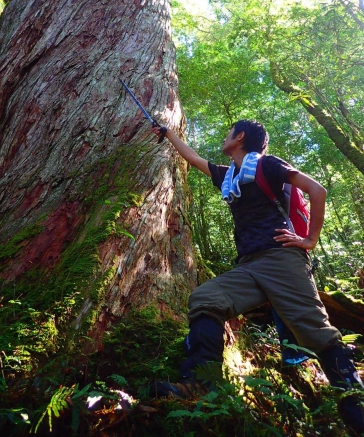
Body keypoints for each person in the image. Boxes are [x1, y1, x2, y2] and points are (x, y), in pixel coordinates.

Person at [152, 120, 363, 435]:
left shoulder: (268, 165)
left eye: (228, 133)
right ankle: (199, 382)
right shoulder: (230, 177)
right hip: (248, 265)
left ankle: (356, 408)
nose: (224, 138)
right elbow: (194, 160)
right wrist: (168, 134)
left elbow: (316, 190)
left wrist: (310, 241)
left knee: (315, 331)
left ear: (239, 137)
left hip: (282, 259)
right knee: (205, 298)